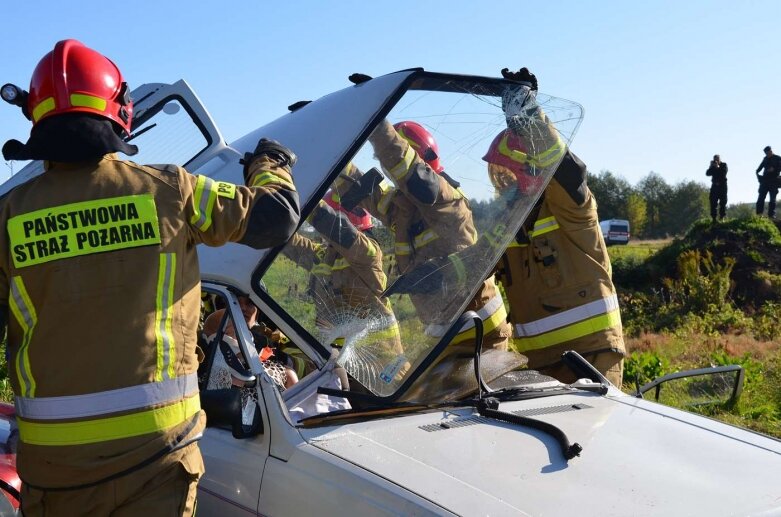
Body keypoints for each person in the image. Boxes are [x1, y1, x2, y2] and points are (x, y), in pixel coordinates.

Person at [0, 40, 299, 516]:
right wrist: (270, 165)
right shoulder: (171, 190)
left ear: (36, 117)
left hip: (55, 476)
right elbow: (275, 218)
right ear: (119, 110)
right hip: (157, 462)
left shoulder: (8, 216)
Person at [483, 67, 626, 387]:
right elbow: (472, 266)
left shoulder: (571, 209)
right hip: (538, 364)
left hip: (591, 357)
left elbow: (566, 170)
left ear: (530, 169)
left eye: (505, 173)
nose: (500, 184)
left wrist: (526, 112)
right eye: (497, 176)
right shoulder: (507, 226)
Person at [338, 120, 512, 357]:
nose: (391, 174)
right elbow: (363, 190)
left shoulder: (448, 200)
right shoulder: (403, 207)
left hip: (483, 333)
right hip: (441, 336)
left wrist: (376, 126)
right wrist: (330, 150)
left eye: (392, 167)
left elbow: (408, 169)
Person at [283, 193, 404, 379]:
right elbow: (294, 245)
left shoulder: (368, 254)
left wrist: (307, 203)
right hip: (340, 364)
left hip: (384, 368)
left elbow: (348, 237)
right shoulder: (324, 255)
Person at [202, 295, 299, 390]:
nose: (243, 308)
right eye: (235, 302)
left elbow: (292, 360)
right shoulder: (208, 345)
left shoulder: (268, 338)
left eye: (250, 303)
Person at [755, 146, 781, 218]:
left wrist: (775, 170)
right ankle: (759, 214)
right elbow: (758, 169)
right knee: (761, 198)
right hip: (765, 181)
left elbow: (779, 167)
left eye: (769, 152)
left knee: (772, 199)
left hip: (774, 181)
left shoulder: (778, 158)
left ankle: (771, 215)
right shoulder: (765, 159)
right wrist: (759, 177)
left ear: (771, 151)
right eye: (766, 153)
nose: (768, 154)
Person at [706, 154, 728, 222]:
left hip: (722, 186)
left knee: (723, 202)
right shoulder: (712, 167)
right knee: (713, 202)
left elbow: (723, 173)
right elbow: (707, 173)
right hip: (714, 186)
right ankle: (714, 218)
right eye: (715, 159)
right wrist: (711, 166)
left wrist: (717, 167)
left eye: (717, 159)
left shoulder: (724, 165)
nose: (716, 161)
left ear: (719, 159)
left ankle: (722, 217)